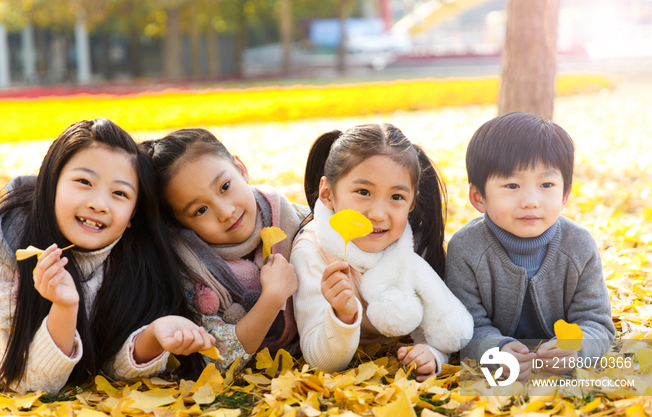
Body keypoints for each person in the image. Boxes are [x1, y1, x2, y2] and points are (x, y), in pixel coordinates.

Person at [0, 118, 214, 394]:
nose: (98, 204)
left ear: (132, 216)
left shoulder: (133, 257)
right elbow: (33, 381)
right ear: (51, 183)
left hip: (64, 362)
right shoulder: (6, 247)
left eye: (119, 193)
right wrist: (64, 308)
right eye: (84, 181)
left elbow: (109, 366)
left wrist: (154, 335)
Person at [291, 123, 473, 378]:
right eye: (363, 192)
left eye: (396, 197)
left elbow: (439, 329)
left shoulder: (408, 247)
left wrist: (432, 354)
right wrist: (342, 315)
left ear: (411, 203)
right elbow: (320, 362)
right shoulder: (313, 251)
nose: (377, 214)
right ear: (327, 193)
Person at [446, 112, 615, 382]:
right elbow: (466, 326)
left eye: (546, 185)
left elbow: (597, 323)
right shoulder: (466, 249)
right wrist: (495, 350)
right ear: (478, 197)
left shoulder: (579, 245)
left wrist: (576, 349)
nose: (530, 201)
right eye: (512, 185)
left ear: (565, 195)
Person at [142, 128, 307, 371]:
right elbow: (217, 358)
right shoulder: (191, 270)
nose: (225, 212)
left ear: (241, 168)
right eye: (200, 210)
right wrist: (272, 297)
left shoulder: (299, 220)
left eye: (225, 186)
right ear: (179, 224)